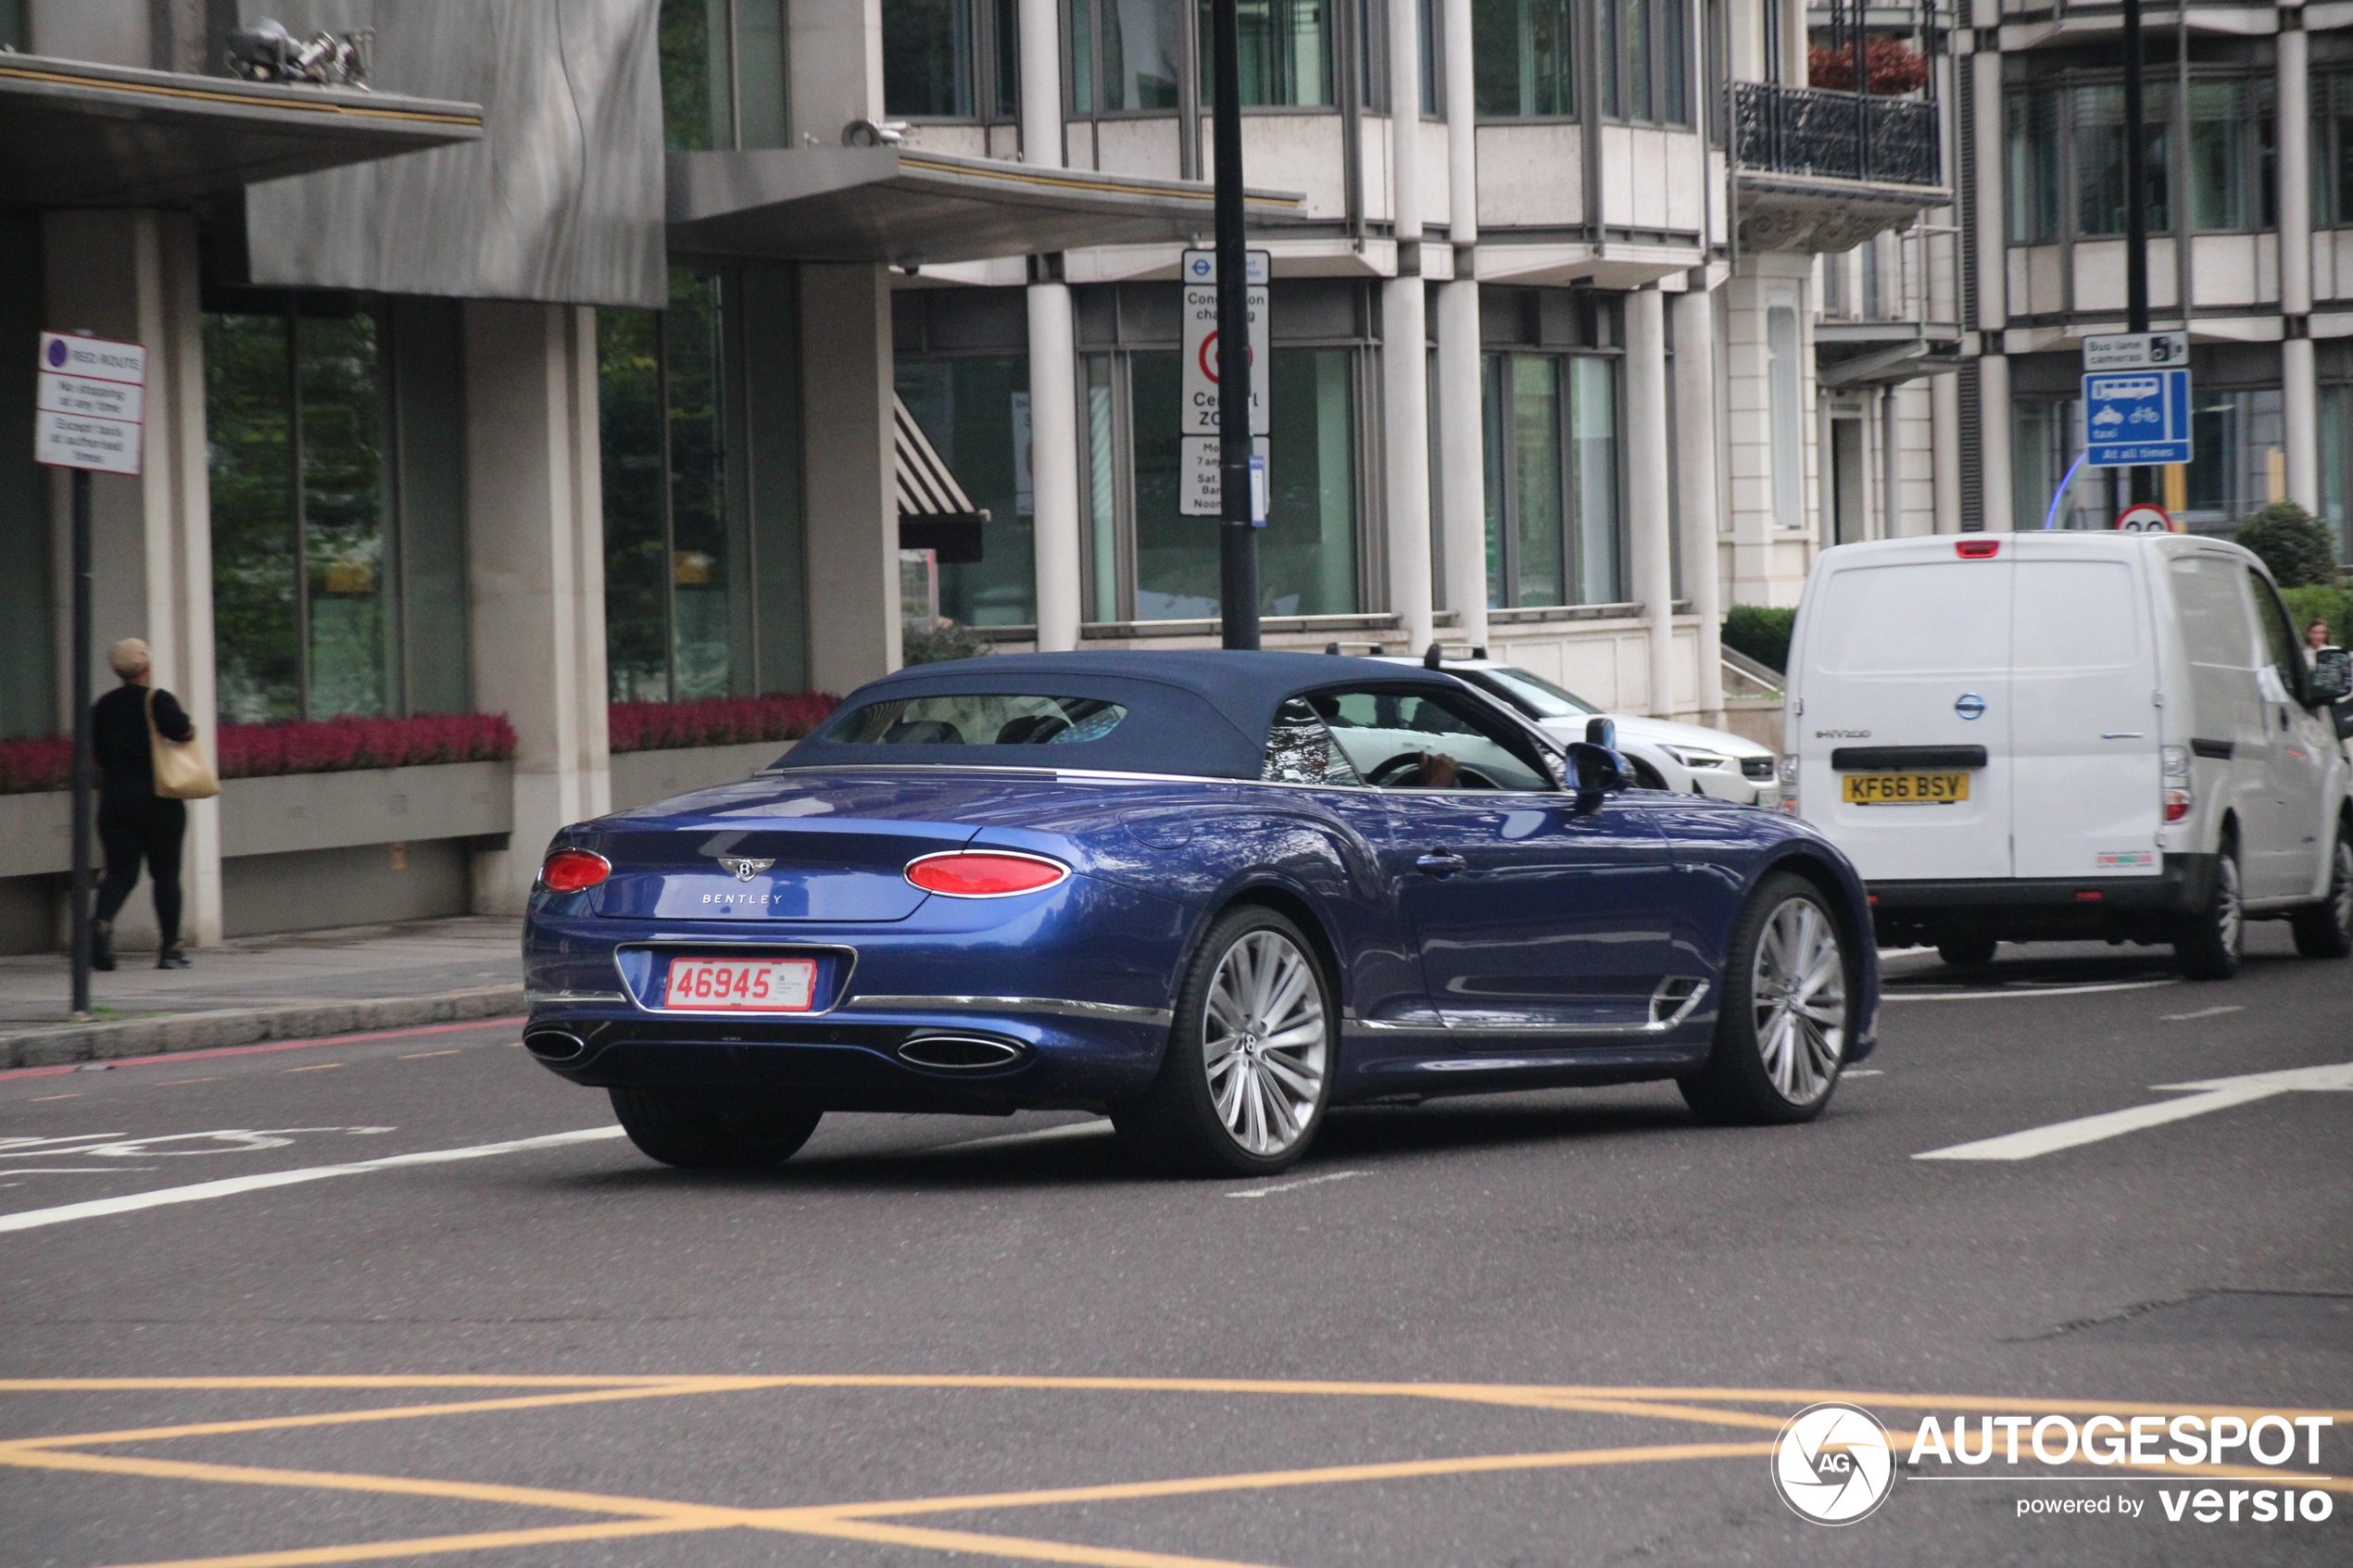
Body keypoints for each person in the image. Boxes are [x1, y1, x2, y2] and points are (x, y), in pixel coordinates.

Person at [91, 638, 195, 971]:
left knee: (121, 872)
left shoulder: (103, 706)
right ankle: (170, 949)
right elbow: (182, 732)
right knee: (165, 874)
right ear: (147, 665)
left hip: (115, 800)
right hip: (158, 800)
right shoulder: (157, 700)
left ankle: (102, 923)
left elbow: (96, 753)